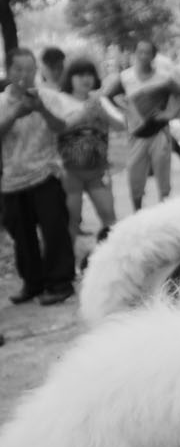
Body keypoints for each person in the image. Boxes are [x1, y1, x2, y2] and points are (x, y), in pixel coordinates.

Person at [0, 48, 78, 305]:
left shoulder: (49, 97)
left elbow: (62, 127)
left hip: (46, 173)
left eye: (30, 69)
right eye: (18, 69)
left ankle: (60, 283)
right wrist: (15, 113)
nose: (25, 75)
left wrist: (41, 109)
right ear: (8, 71)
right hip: (12, 179)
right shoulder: (2, 102)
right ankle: (32, 284)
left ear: (37, 70)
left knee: (55, 230)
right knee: (22, 238)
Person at [105, 40, 180, 212]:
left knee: (163, 178)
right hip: (136, 134)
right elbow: (109, 95)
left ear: (154, 56)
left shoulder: (164, 78)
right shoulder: (126, 77)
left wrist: (170, 113)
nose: (143, 56)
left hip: (160, 132)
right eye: (140, 52)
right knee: (135, 177)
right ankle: (138, 213)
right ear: (135, 54)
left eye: (147, 52)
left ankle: (164, 212)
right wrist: (127, 110)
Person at [57, 57, 123, 252]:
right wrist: (82, 115)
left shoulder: (100, 100)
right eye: (80, 75)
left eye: (89, 74)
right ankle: (67, 263)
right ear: (70, 78)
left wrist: (103, 112)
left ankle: (111, 256)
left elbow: (121, 125)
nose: (85, 79)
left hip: (98, 170)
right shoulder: (60, 100)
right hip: (69, 171)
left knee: (109, 216)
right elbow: (53, 130)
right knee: (72, 220)